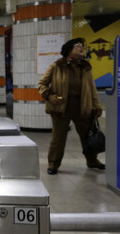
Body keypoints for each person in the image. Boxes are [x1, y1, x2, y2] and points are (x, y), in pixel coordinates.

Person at [38, 37, 104, 175]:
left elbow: (92, 89)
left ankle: (92, 161)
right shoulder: (57, 66)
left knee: (87, 135)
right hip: (61, 108)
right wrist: (49, 95)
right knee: (58, 137)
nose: (82, 48)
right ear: (69, 49)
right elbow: (42, 84)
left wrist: (96, 105)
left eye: (82, 46)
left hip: (82, 107)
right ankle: (53, 164)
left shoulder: (85, 67)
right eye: (78, 45)